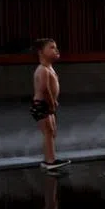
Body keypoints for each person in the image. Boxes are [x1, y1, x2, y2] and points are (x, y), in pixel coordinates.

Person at [31, 38, 70, 172]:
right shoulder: (43, 70)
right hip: (42, 104)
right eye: (52, 47)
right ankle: (50, 160)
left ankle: (51, 158)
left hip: (47, 104)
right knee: (48, 132)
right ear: (41, 52)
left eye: (56, 47)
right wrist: (52, 102)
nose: (56, 50)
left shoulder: (49, 68)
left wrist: (53, 101)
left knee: (52, 132)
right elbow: (44, 89)